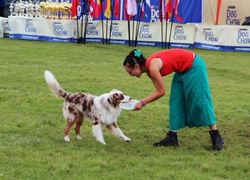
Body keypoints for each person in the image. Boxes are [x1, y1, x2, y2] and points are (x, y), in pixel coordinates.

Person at [123, 48, 224, 150]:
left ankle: (216, 136)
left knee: (200, 101)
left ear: (136, 66)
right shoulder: (149, 71)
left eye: (130, 72)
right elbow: (158, 90)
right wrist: (142, 102)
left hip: (194, 65)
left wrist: (143, 102)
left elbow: (161, 92)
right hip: (181, 71)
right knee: (175, 102)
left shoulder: (152, 67)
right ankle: (172, 137)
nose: (131, 75)